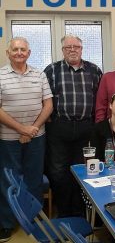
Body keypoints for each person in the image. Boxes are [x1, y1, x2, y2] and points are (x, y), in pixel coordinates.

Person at [0, 37, 53, 242]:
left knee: (34, 179)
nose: (19, 52)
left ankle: (34, 220)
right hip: (7, 139)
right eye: (15, 49)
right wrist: (22, 129)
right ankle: (5, 223)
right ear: (8, 53)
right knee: (8, 181)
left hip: (36, 137)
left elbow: (48, 105)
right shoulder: (1, 75)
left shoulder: (39, 74)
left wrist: (32, 130)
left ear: (29, 53)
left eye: (23, 49)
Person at [44, 34, 102, 217]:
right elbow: (44, 99)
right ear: (62, 50)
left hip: (86, 128)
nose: (72, 50)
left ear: (81, 49)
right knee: (58, 170)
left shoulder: (94, 71)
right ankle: (64, 210)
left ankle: (79, 210)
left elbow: (100, 99)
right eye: (68, 47)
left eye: (75, 46)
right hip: (60, 126)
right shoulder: (52, 70)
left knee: (82, 170)